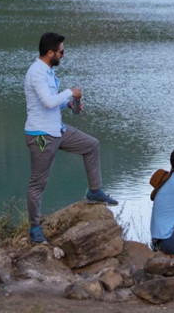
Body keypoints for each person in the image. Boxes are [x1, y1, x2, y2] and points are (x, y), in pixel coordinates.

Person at [24, 32, 118, 244]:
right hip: (41, 136)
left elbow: (50, 102)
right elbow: (48, 102)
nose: (63, 55)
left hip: (57, 129)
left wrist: (67, 104)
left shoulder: (48, 72)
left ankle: (95, 191)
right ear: (50, 53)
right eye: (61, 52)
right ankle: (35, 228)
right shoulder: (37, 73)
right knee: (38, 183)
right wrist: (70, 92)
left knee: (91, 145)